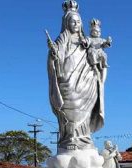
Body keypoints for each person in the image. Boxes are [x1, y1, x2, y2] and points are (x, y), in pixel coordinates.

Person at [47, 0, 105, 150]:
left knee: (85, 109)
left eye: (78, 22)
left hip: (86, 79)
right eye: (73, 22)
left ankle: (82, 137)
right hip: (67, 79)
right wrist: (53, 54)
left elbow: (96, 54)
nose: (76, 24)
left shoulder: (85, 40)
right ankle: (69, 137)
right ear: (66, 23)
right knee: (69, 103)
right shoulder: (62, 39)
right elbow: (56, 55)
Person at [87, 18, 112, 83]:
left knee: (104, 55)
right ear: (91, 32)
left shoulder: (101, 40)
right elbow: (86, 42)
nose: (97, 33)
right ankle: (94, 66)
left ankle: (104, 64)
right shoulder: (90, 38)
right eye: (95, 31)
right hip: (92, 51)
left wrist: (108, 42)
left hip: (99, 52)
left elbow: (105, 45)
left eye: (99, 32)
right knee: (92, 53)